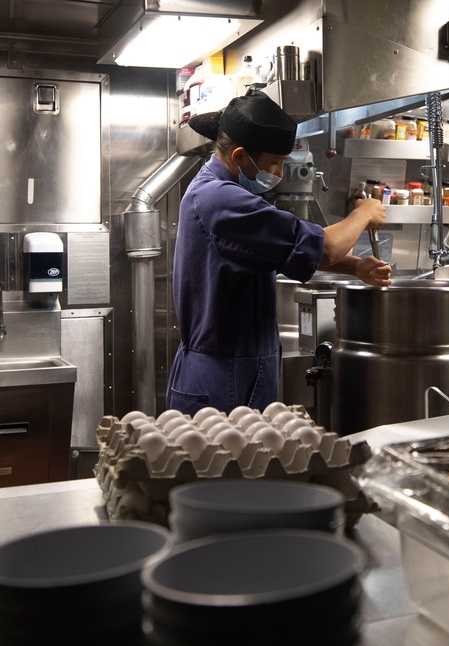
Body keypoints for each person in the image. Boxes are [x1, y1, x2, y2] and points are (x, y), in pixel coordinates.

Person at [166, 91, 389, 414]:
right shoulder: (222, 200)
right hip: (224, 378)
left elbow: (280, 250)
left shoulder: (215, 191)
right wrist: (364, 213)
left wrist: (356, 267)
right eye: (276, 163)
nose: (280, 173)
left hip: (230, 369)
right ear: (240, 156)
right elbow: (325, 249)